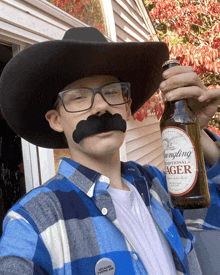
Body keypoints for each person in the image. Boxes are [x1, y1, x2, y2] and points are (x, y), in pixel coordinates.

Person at [0, 27, 219, 275]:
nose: (102, 106)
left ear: (127, 108)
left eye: (112, 92)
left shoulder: (158, 187)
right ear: (56, 120)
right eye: (79, 97)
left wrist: (195, 132)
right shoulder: (33, 221)